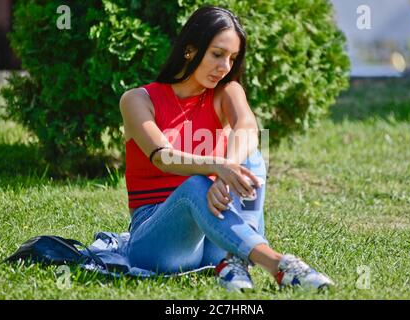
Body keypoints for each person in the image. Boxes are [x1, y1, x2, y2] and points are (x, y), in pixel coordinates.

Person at [119, 6, 334, 292]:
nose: (225, 67)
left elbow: (247, 128)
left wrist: (227, 168)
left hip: (212, 239)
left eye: (232, 58)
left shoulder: (226, 92)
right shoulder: (137, 99)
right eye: (217, 54)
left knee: (251, 157)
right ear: (190, 50)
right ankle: (277, 265)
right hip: (157, 242)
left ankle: (233, 263)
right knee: (196, 182)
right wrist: (216, 166)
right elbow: (163, 157)